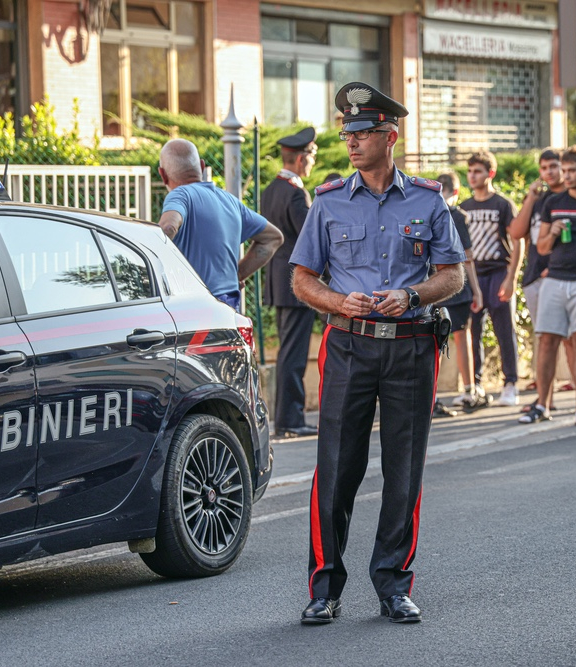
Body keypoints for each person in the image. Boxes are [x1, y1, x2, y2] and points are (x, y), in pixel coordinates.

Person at [290, 82, 465, 625]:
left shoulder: (428, 199)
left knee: (403, 470)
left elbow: (453, 275)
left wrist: (411, 295)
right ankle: (325, 587)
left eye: (363, 132)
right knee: (337, 467)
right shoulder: (328, 200)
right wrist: (340, 299)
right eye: (348, 133)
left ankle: (393, 583)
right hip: (347, 345)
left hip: (412, 346)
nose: (352, 141)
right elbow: (301, 279)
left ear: (391, 135)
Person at [518, 146, 576, 426]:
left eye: (571, 171)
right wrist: (553, 232)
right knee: (546, 341)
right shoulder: (552, 202)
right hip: (554, 280)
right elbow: (541, 247)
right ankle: (543, 404)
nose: (565, 176)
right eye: (563, 170)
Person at [158, 138, 283, 311]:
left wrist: (151, 268)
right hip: (229, 309)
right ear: (201, 166)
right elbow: (273, 237)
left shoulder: (180, 195)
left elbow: (168, 227)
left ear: (162, 174)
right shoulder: (230, 201)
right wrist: (237, 274)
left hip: (194, 308)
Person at [262, 127, 320, 438]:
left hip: (277, 280)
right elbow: (310, 239)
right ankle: (291, 419)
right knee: (293, 354)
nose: (312, 163)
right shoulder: (297, 193)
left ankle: (285, 418)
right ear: (300, 159)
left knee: (287, 350)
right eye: (311, 156)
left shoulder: (270, 190)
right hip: (297, 282)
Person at [458, 150, 523, 407]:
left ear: (490, 173)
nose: (472, 176)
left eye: (478, 171)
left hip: (498, 272)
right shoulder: (464, 207)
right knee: (471, 330)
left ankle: (510, 384)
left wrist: (511, 277)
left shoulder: (503, 204)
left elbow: (518, 242)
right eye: (470, 171)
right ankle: (475, 385)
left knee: (504, 330)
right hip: (472, 276)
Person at [510, 149, 565, 395]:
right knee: (542, 335)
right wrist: (530, 199)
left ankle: (571, 385)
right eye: (543, 168)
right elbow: (516, 232)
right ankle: (545, 390)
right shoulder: (538, 199)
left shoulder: (569, 198)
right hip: (534, 276)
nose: (549, 172)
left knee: (569, 336)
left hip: (561, 275)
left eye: (553, 166)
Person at [433, 171, 483, 417]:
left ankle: (430, 395)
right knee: (462, 338)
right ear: (456, 192)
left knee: (434, 342)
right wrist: (477, 291)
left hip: (432, 287)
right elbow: (469, 258)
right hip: (456, 285)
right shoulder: (457, 215)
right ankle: (469, 390)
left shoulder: (427, 213)